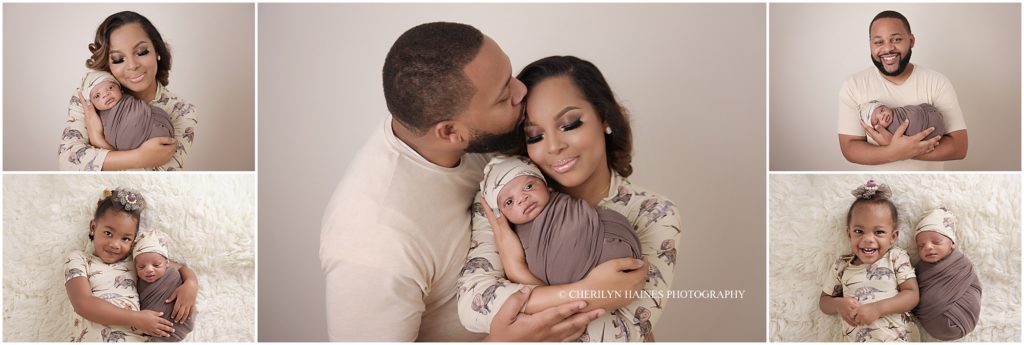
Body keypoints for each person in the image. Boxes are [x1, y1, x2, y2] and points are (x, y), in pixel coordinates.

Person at [320, 22, 622, 341]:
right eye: (505, 95)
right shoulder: (374, 243)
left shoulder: (468, 136)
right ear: (450, 132)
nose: (522, 91)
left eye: (510, 75)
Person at [459, 56, 682, 342]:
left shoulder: (654, 212)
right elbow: (473, 306)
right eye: (536, 136)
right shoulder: (505, 195)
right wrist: (590, 292)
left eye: (569, 124)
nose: (553, 146)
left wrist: (519, 277)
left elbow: (621, 333)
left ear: (604, 119)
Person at [58, 11, 198, 171]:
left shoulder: (183, 111)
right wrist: (141, 158)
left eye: (142, 52)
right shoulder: (90, 95)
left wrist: (99, 141)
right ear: (108, 63)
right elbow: (68, 162)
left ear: (157, 50)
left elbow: (163, 176)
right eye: (118, 59)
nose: (132, 65)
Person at [479, 155, 641, 286]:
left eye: (528, 187)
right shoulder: (512, 238)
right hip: (580, 285)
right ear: (502, 214)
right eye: (509, 202)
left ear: (547, 186)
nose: (522, 198)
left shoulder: (563, 204)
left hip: (609, 241)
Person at [838, 10, 968, 170]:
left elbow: (958, 147)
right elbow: (849, 147)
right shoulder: (854, 85)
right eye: (878, 42)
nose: (887, 49)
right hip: (875, 184)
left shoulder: (937, 82)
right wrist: (893, 152)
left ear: (911, 40)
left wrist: (898, 148)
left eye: (896, 39)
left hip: (926, 185)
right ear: (870, 44)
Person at [64, 188, 199, 342]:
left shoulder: (137, 263)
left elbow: (180, 268)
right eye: (108, 233)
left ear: (134, 240)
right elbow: (83, 303)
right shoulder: (79, 260)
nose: (115, 244)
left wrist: (191, 284)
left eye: (126, 239)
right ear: (93, 228)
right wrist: (136, 318)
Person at [819, 180, 919, 342]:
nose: (868, 239)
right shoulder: (842, 266)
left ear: (893, 237)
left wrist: (878, 309)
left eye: (878, 232)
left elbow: (912, 295)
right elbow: (824, 302)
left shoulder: (895, 257)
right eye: (859, 231)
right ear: (849, 234)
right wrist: (838, 304)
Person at [913, 207, 981, 340]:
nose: (928, 247)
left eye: (936, 242)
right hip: (932, 321)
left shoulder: (961, 263)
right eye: (921, 245)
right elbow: (914, 292)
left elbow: (973, 286)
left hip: (964, 317)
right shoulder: (920, 268)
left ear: (952, 244)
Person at [78, 70, 174, 151]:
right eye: (97, 96)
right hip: (135, 150)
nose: (105, 94)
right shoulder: (96, 117)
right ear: (92, 103)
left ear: (120, 89)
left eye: (110, 88)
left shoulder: (128, 101)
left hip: (153, 123)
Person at [134, 230, 196, 342]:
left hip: (181, 319)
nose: (149, 269)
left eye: (156, 265)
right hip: (153, 329)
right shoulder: (134, 280)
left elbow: (183, 268)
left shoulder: (171, 271)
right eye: (141, 267)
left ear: (167, 262)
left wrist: (191, 284)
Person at [859, 100, 944, 141]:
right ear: (876, 128)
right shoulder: (889, 132)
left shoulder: (896, 110)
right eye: (877, 121)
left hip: (928, 112)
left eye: (882, 110)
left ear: (885, 106)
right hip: (931, 132)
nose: (882, 116)